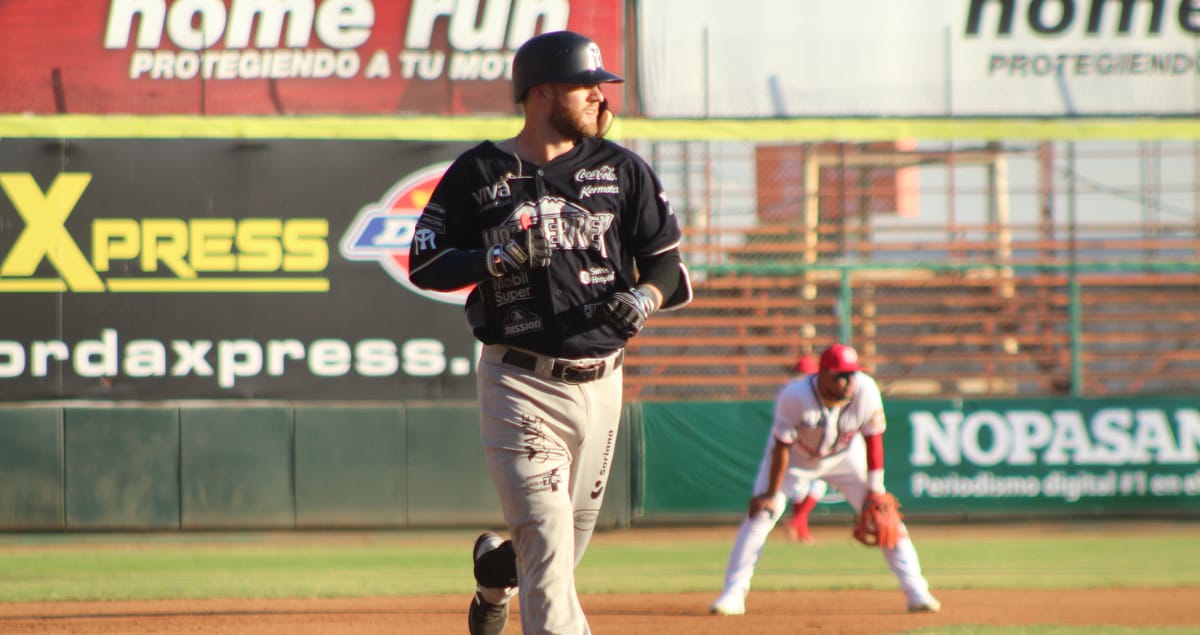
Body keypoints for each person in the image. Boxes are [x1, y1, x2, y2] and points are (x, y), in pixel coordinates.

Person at [407, 30, 692, 635]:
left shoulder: (621, 169)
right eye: (585, 84)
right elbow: (425, 262)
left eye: (600, 86)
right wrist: (496, 257)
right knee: (550, 549)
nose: (598, 95)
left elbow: (666, 261)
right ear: (540, 93)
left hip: (604, 383)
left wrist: (644, 296)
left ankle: (494, 573)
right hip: (520, 383)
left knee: (561, 548)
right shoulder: (479, 171)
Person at [710, 343, 940, 616]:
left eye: (852, 374)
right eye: (841, 375)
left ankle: (917, 592)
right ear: (823, 374)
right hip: (796, 459)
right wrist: (771, 493)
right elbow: (781, 447)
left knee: (884, 518)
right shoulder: (794, 396)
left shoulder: (865, 389)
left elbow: (874, 441)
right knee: (760, 517)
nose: (849, 381)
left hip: (846, 457)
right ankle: (733, 594)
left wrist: (875, 491)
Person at [784, 355, 827, 545]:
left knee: (800, 490)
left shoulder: (791, 391)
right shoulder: (805, 393)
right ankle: (796, 525)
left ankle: (801, 531)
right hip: (806, 446)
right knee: (817, 487)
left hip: (794, 446)